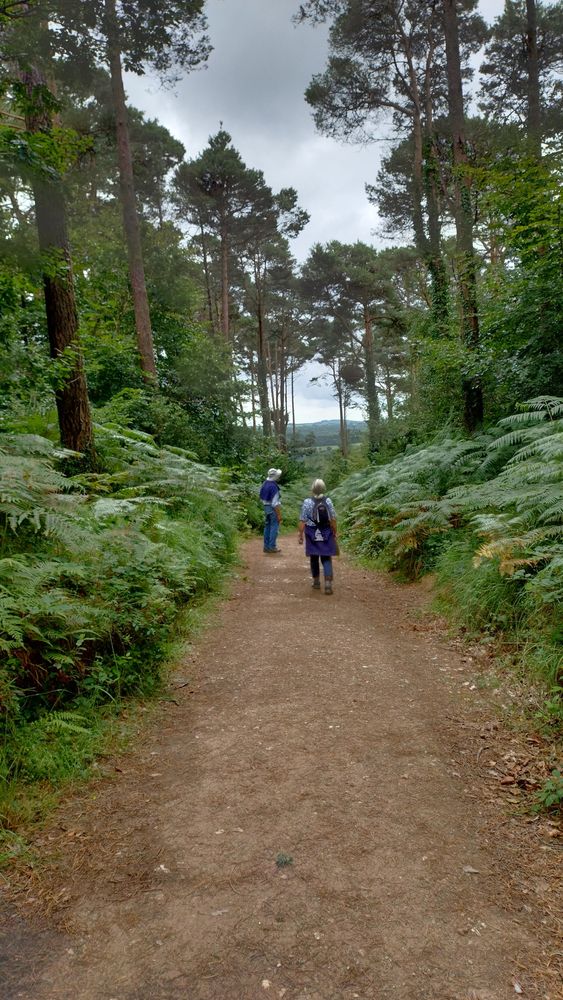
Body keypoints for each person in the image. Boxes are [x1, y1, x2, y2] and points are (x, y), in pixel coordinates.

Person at [298, 479, 338, 594]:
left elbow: (302, 520)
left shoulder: (307, 502)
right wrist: (335, 532)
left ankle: (316, 582)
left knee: (314, 557)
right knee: (326, 557)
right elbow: (333, 519)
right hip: (326, 531)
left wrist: (300, 535)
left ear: (312, 489)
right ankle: (328, 585)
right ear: (323, 488)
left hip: (311, 532)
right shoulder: (328, 501)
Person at [259, 468, 282, 554]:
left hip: (266, 507)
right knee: (274, 527)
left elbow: (262, 497)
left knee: (267, 527)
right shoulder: (273, 487)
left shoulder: (265, 483)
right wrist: (279, 515)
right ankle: (272, 546)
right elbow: (275, 503)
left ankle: (266, 547)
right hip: (272, 509)